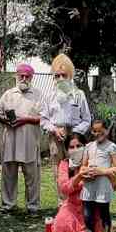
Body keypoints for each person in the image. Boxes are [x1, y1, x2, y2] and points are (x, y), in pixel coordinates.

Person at [40, 53, 91, 203]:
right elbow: (43, 119)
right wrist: (54, 130)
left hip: (75, 137)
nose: (61, 79)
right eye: (57, 76)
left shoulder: (79, 95)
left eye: (64, 75)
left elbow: (87, 120)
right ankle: (62, 203)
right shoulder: (49, 95)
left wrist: (75, 133)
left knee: (76, 168)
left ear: (70, 76)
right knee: (58, 170)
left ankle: (79, 202)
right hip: (55, 137)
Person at [0, 64, 43, 215]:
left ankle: (33, 206)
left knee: (32, 177)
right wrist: (7, 121)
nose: (24, 78)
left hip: (29, 142)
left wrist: (26, 119)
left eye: (27, 76)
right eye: (21, 75)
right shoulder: (8, 94)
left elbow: (44, 118)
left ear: (31, 78)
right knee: (8, 175)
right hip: (11, 142)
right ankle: (8, 204)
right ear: (16, 76)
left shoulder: (38, 94)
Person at [81, 120, 116, 232]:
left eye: (100, 131)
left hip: (103, 185)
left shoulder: (112, 147)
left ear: (106, 131)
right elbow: (82, 166)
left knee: (104, 214)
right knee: (87, 215)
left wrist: (101, 172)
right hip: (89, 185)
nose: (98, 134)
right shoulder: (89, 147)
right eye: (94, 131)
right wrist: (87, 171)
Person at [50, 133, 91, 232]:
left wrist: (75, 183)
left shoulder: (91, 163)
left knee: (93, 224)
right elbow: (64, 188)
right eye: (71, 147)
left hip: (90, 204)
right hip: (72, 204)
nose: (75, 150)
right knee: (61, 221)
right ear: (67, 150)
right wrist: (78, 177)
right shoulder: (64, 164)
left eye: (79, 146)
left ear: (85, 146)